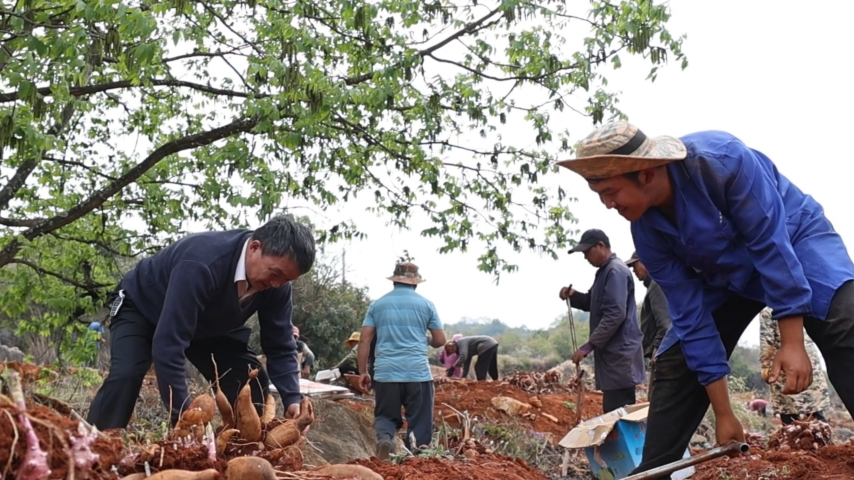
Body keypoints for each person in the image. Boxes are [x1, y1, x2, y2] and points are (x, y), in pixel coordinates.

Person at [557, 121, 854, 476]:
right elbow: (690, 316)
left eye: (611, 192)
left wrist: (792, 341)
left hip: (792, 239)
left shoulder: (721, 161)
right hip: (724, 276)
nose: (608, 205)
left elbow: (770, 243)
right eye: (599, 195)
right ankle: (654, 472)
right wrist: (725, 415)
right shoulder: (647, 232)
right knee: (675, 361)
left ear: (647, 174)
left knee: (846, 321)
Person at [86, 215, 316, 430]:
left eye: (286, 280)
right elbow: (169, 345)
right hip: (142, 307)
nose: (277, 284)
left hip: (205, 321)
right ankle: (96, 444)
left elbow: (280, 344)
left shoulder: (278, 285)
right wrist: (185, 418)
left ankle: (242, 450)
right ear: (254, 248)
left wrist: (292, 397)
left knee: (249, 383)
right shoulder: (202, 262)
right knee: (126, 374)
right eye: (275, 274)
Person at [357, 262, 446, 460]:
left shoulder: (377, 305)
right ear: (415, 283)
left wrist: (363, 371)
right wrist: (425, 339)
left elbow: (364, 340)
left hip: (386, 373)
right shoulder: (426, 305)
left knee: (386, 416)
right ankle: (416, 457)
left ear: (395, 281)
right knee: (420, 420)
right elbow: (440, 340)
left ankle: (386, 440)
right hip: (417, 373)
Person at [558, 229, 645, 413]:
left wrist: (588, 346)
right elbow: (593, 302)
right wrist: (573, 296)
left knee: (618, 414)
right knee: (614, 413)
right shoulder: (604, 272)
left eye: (587, 252)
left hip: (620, 358)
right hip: (613, 360)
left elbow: (615, 314)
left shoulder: (615, 271)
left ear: (601, 246)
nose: (585, 257)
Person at [759, 307, 830, 424]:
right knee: (816, 414)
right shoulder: (801, 307)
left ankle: (793, 440)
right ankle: (825, 440)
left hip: (786, 367)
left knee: (789, 416)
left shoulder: (768, 310)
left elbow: (767, 341)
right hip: (809, 365)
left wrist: (766, 367)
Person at [625, 252, 672, 373]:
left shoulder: (656, 285)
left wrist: (657, 349)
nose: (634, 271)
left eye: (635, 265)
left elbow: (665, 325)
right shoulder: (655, 284)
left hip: (664, 354)